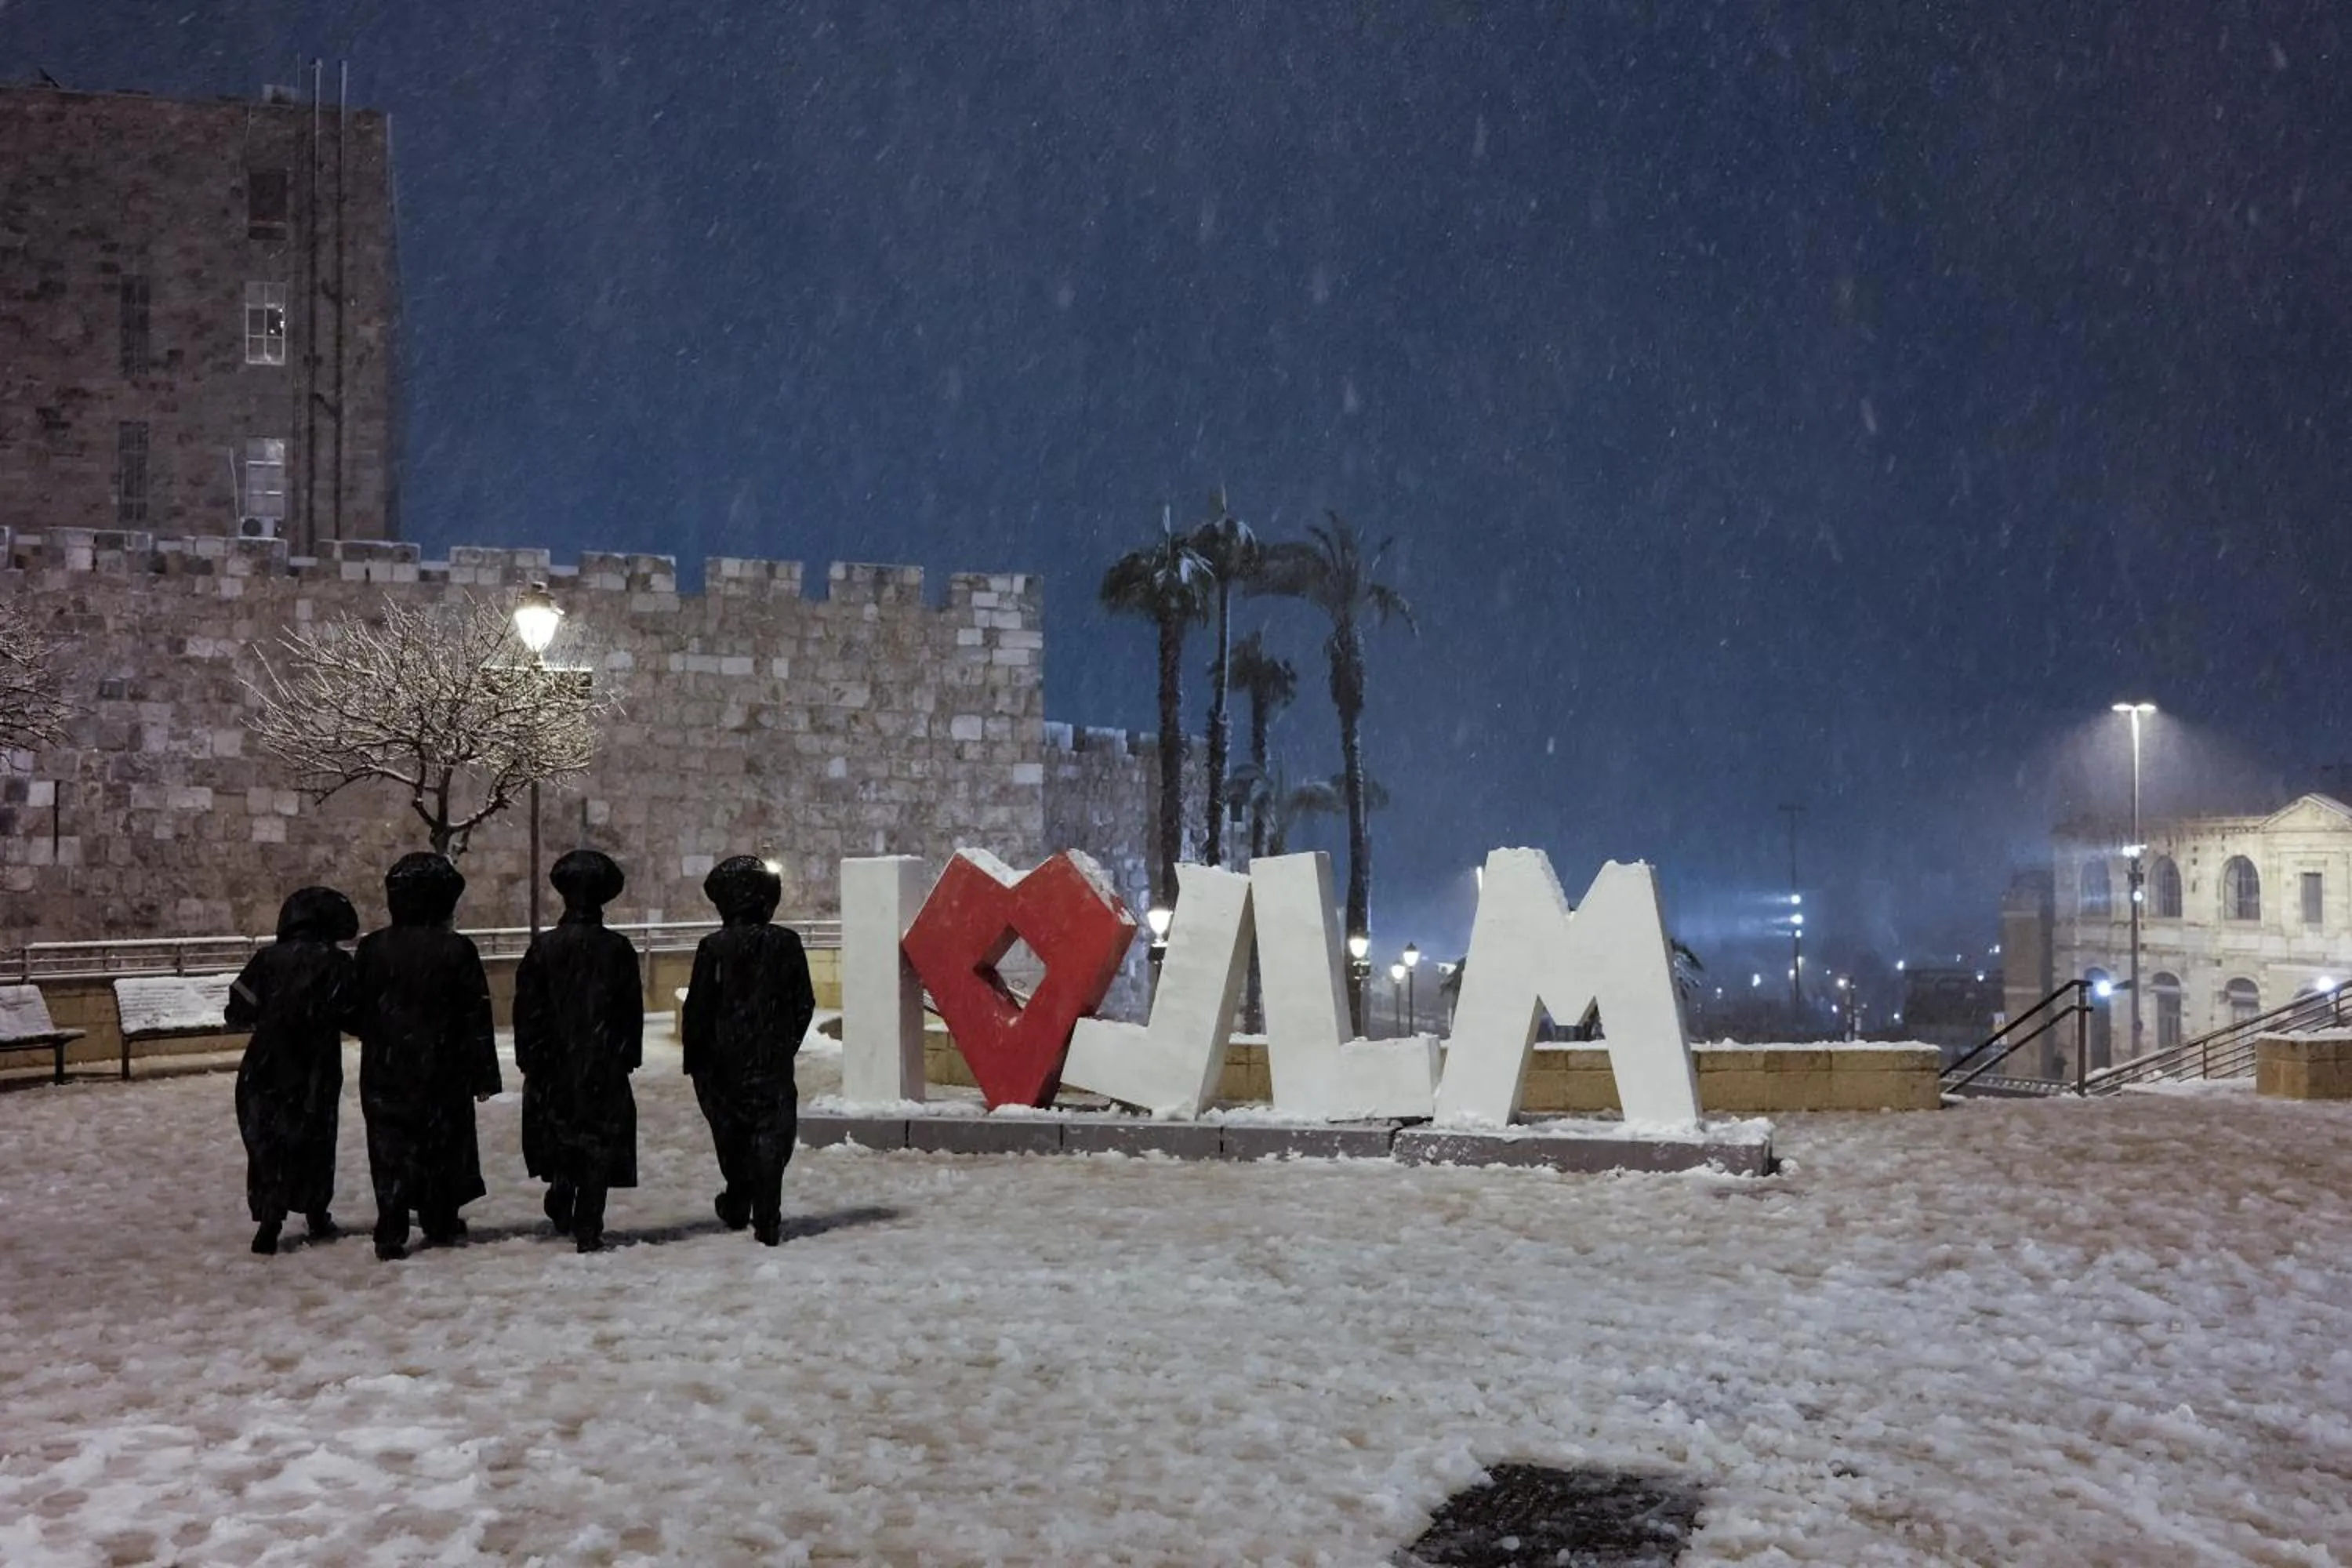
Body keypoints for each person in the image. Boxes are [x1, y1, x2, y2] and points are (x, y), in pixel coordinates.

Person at [348, 852, 502, 1261]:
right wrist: (483, 1073)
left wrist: (384, 1036)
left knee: (389, 1146)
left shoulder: (373, 949)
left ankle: (392, 1222)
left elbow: (352, 1008)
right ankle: (440, 1216)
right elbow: (476, 1015)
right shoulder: (457, 950)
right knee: (443, 1144)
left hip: (385, 1068)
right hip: (443, 1069)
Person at [682, 856, 816, 1247]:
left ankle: (740, 1198)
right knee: (771, 1135)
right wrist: (782, 1044)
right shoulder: (786, 944)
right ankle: (766, 1215)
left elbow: (698, 1008)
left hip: (724, 1063)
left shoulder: (713, 948)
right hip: (770, 1061)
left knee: (732, 1134)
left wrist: (699, 1060)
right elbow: (803, 1002)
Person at [514, 848, 643, 1253]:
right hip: (602, 1063)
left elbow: (527, 1009)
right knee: (598, 1141)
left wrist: (531, 1057)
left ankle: (563, 1188)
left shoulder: (544, 948)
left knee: (561, 1130)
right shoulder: (617, 949)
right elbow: (629, 1011)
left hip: (553, 1063)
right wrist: (625, 1055)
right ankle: (589, 1221)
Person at [226, 886, 358, 1255]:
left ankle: (270, 1217)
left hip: (265, 1064)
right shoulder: (337, 963)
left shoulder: (266, 960)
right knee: (314, 1138)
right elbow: (355, 1014)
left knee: (269, 1142)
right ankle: (316, 1210)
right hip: (315, 1067)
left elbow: (238, 1009)